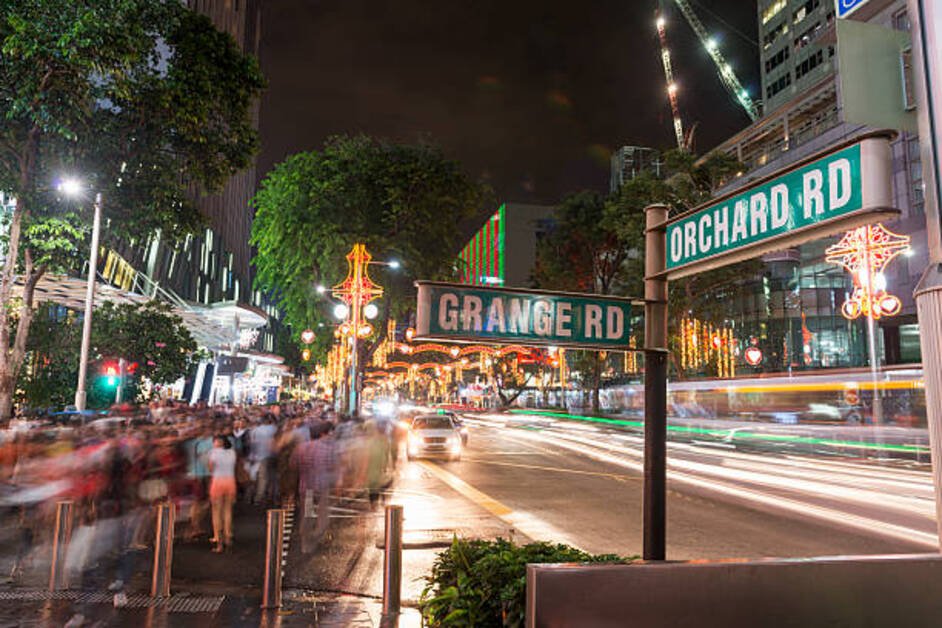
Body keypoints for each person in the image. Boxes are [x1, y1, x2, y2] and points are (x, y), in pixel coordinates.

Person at [207, 435, 237, 553]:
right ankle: (228, 536)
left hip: (218, 482)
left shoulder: (213, 453)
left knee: (216, 512)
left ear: (217, 442)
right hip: (230, 481)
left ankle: (218, 541)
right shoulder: (232, 452)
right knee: (227, 510)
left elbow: (210, 468)